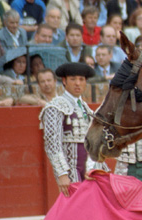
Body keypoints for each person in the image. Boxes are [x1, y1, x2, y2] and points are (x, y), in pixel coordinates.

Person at [40, 62, 104, 198]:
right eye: (73, 79)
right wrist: (62, 174)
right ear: (64, 81)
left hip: (90, 168)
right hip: (71, 169)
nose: (77, 83)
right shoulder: (55, 107)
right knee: (75, 208)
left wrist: (96, 167)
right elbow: (53, 144)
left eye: (81, 80)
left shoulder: (85, 108)